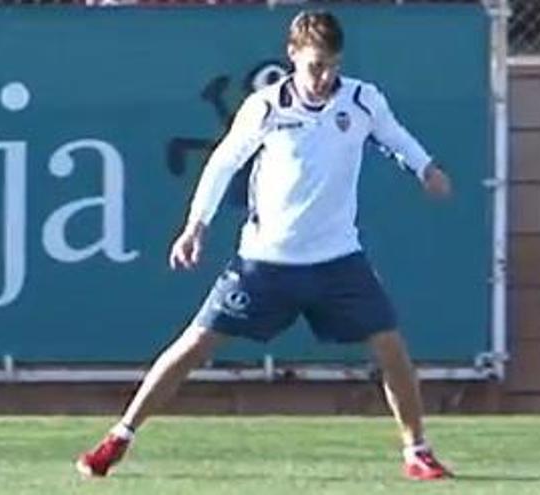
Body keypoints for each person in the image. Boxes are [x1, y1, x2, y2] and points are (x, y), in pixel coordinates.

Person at [77, 10, 454, 481]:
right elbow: (223, 163)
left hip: (338, 260)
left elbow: (395, 136)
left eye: (333, 65)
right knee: (195, 343)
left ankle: (416, 452)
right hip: (265, 263)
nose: (325, 76)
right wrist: (196, 226)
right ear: (293, 56)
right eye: (316, 65)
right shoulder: (267, 106)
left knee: (391, 347)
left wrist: (426, 168)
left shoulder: (362, 101)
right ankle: (119, 437)